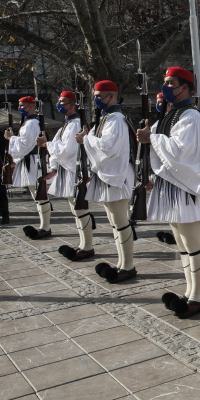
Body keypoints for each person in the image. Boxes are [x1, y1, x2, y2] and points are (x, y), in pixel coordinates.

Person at [140, 68, 200, 316]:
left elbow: (180, 150)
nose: (165, 87)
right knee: (182, 244)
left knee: (193, 244)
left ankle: (197, 297)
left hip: (187, 188)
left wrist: (150, 138)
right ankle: (189, 291)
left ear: (184, 87)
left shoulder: (190, 116)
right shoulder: (169, 114)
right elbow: (157, 145)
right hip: (172, 188)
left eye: (169, 83)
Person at [77, 80, 138, 283]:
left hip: (116, 175)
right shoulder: (106, 118)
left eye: (98, 96)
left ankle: (128, 265)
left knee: (121, 222)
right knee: (114, 223)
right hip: (108, 174)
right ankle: (121, 263)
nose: (95, 100)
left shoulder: (115, 119)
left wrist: (86, 139)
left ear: (111, 96)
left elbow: (107, 147)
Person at [42, 91, 94, 261]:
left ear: (72, 104)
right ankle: (83, 244)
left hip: (74, 170)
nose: (59, 104)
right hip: (68, 170)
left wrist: (47, 144)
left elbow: (67, 150)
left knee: (80, 209)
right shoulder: (67, 123)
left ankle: (87, 246)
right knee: (75, 209)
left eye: (62, 102)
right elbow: (59, 146)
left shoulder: (75, 123)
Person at [6, 96, 51, 239]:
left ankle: (45, 226)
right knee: (36, 195)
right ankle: (44, 224)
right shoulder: (29, 123)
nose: (20, 108)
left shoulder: (32, 124)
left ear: (31, 106)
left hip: (33, 161)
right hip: (29, 160)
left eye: (22, 105)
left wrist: (11, 138)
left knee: (40, 195)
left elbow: (26, 145)